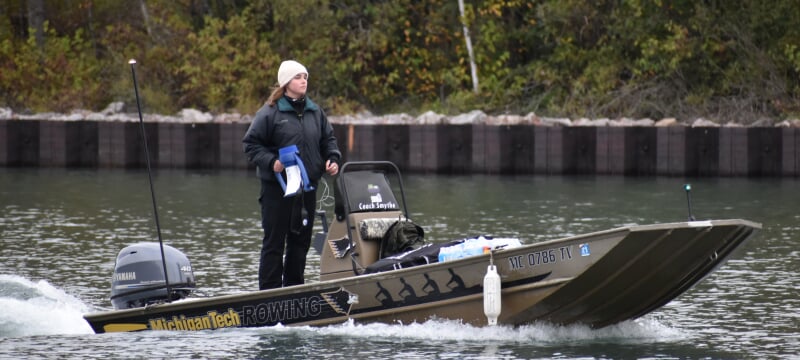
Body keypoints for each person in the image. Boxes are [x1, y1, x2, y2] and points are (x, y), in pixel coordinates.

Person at [242, 60, 341, 290]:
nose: (303, 81)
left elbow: (329, 141)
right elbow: (251, 144)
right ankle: (269, 293)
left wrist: (332, 159)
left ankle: (294, 290)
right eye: (298, 77)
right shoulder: (269, 113)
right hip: (277, 190)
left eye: (305, 76)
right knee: (274, 243)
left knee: (300, 243)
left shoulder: (316, 112)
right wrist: (272, 162)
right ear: (286, 82)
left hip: (306, 190)